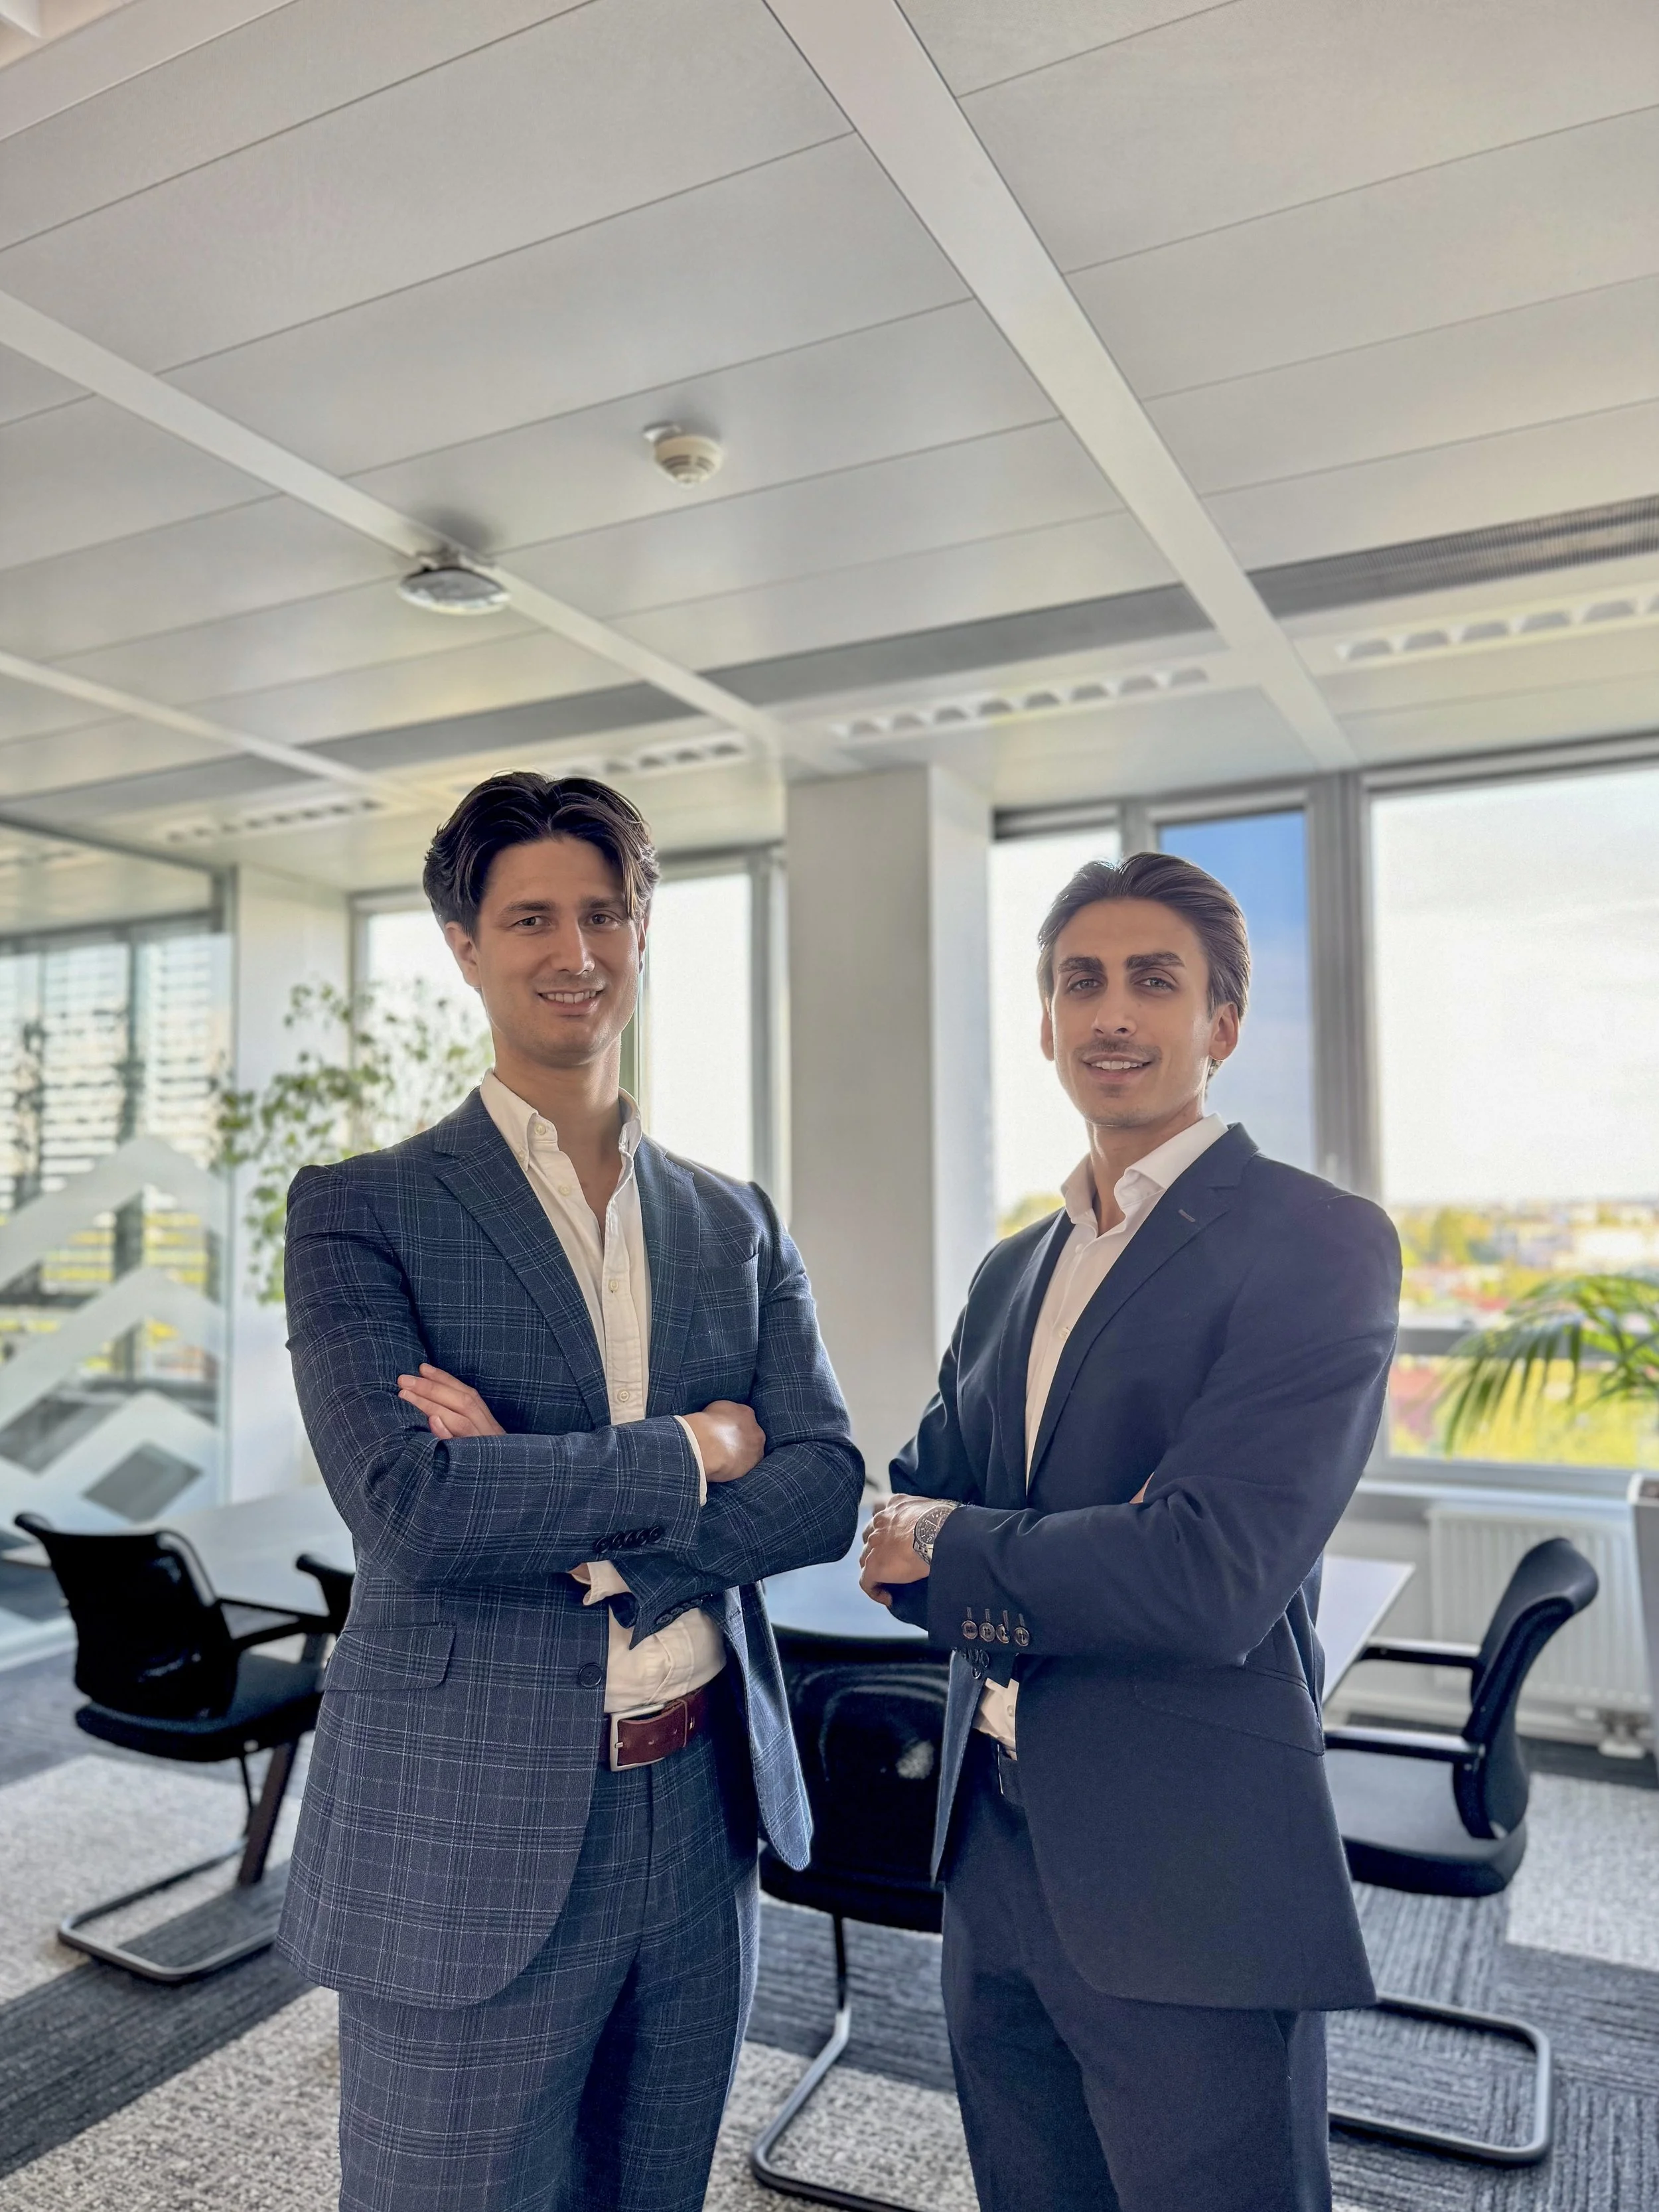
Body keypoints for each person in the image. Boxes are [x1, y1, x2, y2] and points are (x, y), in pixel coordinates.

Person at [278, 771, 863, 2212]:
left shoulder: (732, 1219)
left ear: (643, 928)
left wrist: (611, 1547)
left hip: (699, 1802)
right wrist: (701, 1450)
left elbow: (829, 1485)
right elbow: (412, 1506)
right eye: (529, 915)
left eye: (603, 911)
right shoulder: (362, 1208)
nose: (574, 949)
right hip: (465, 1811)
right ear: (465, 945)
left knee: (649, 2190)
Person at [859, 850, 1400, 2212]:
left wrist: (959, 1542)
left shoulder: (1315, 1241)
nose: (1110, 1012)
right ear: (1043, 1023)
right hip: (988, 1844)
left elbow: (1209, 1573)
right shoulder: (1009, 1269)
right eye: (1076, 981)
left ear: (1219, 1022)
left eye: (1152, 981)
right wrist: (1008, 1538)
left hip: (1188, 1858)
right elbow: (899, 1507)